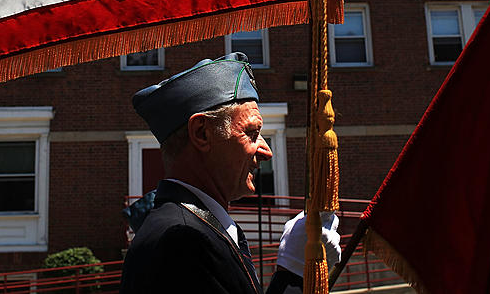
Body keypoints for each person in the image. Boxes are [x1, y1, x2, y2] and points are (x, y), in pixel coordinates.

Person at [120, 52, 340, 294]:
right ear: (202, 133)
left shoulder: (194, 228)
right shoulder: (182, 241)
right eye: (252, 133)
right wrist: (295, 273)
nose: (266, 151)